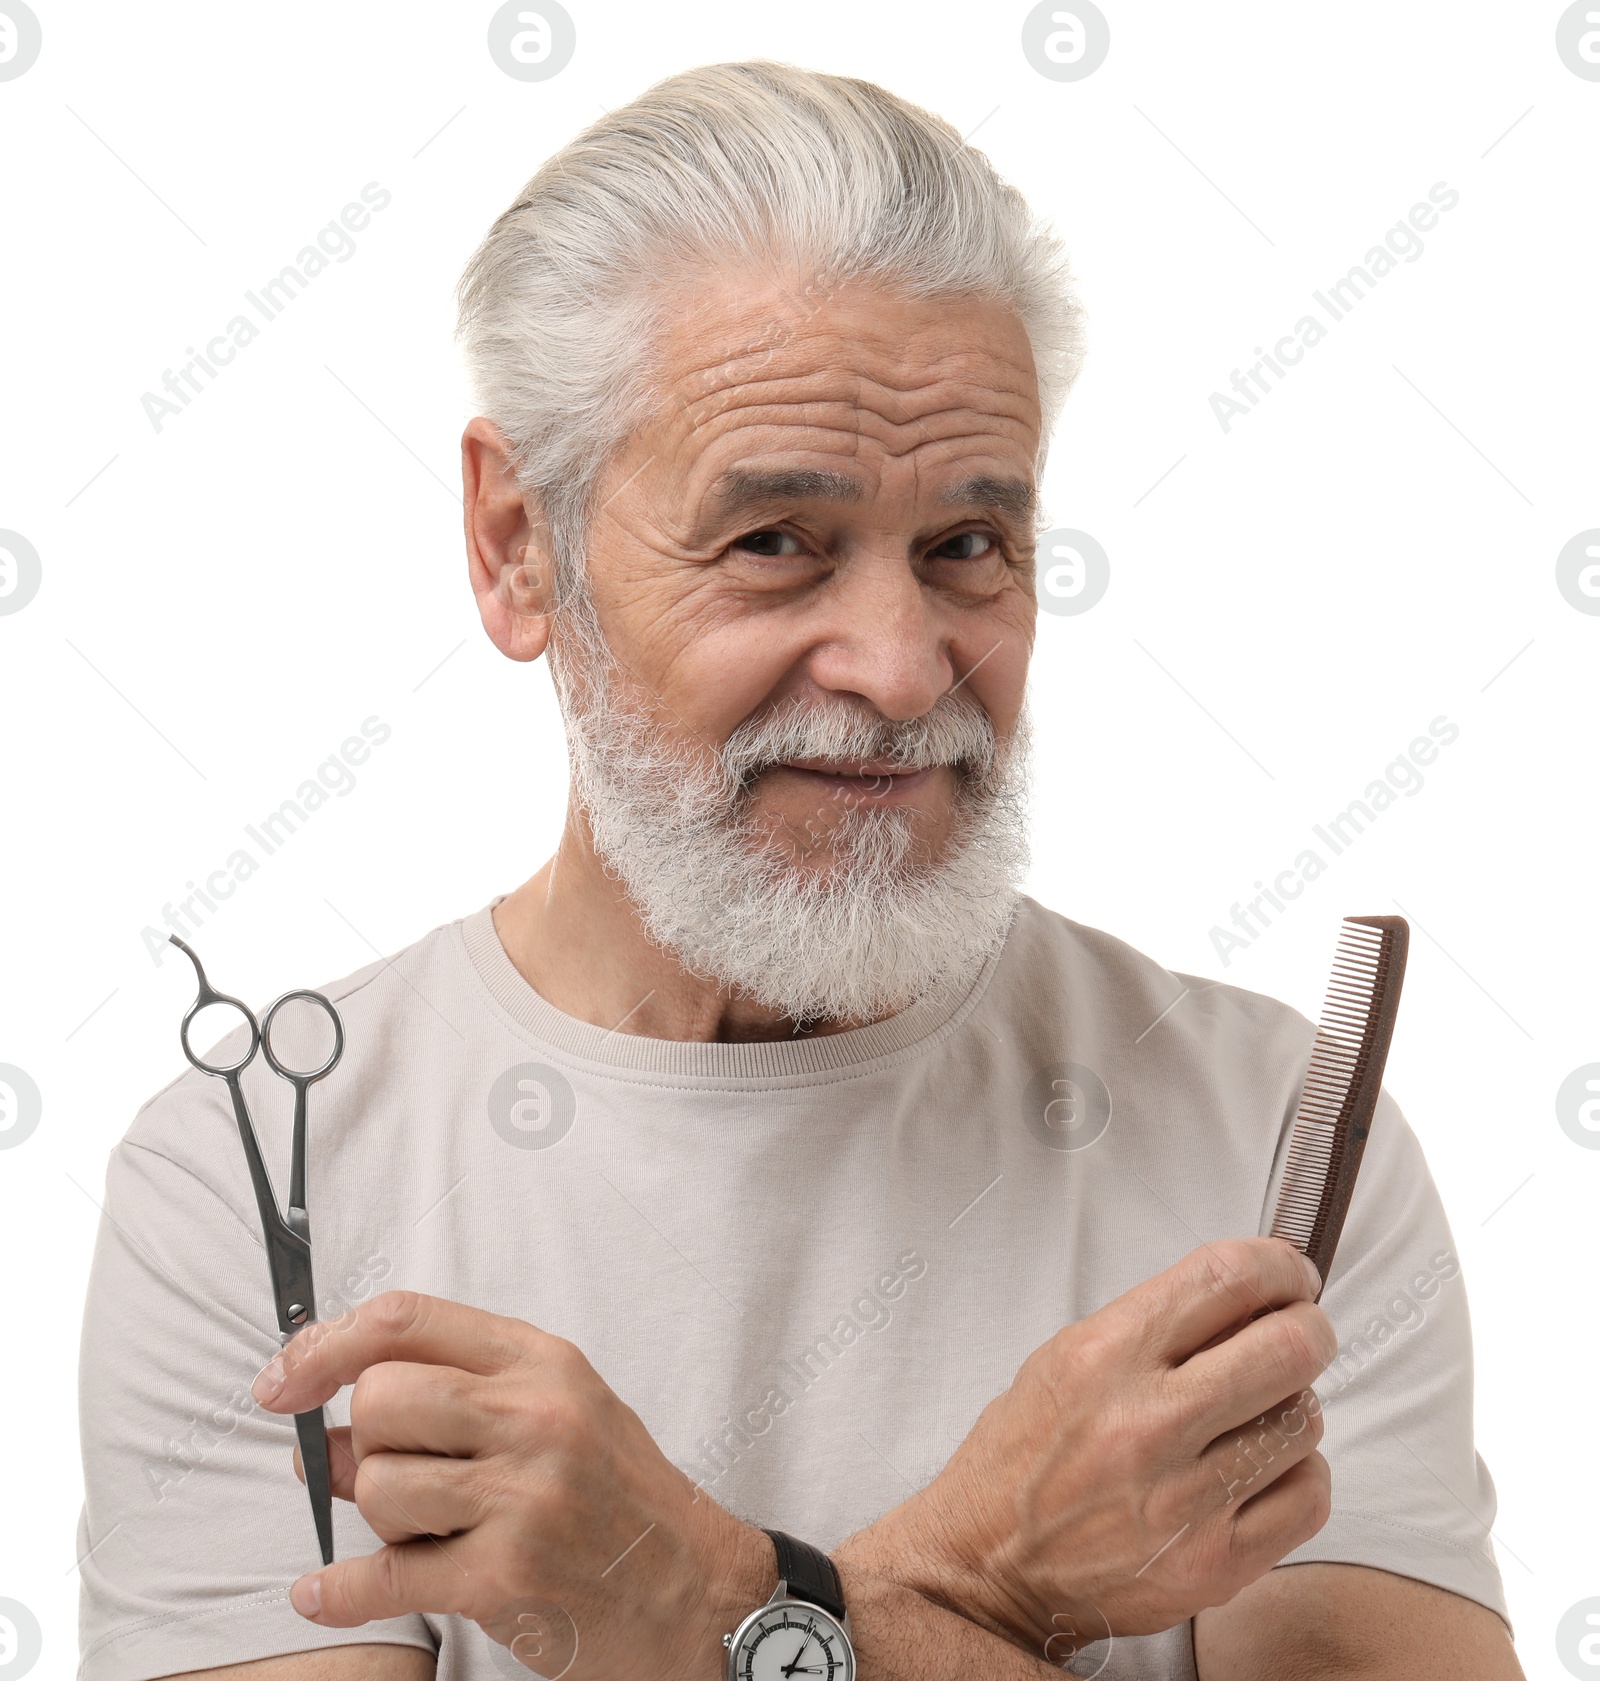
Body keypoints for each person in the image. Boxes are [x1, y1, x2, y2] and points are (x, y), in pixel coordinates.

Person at [76, 60, 1522, 1681]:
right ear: (514, 546)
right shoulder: (256, 1174)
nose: (904, 671)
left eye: (970, 544)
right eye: (776, 541)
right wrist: (975, 1585)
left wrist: (698, 1606)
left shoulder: (1276, 1155)